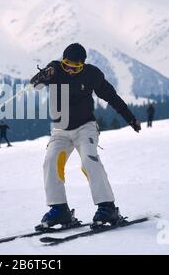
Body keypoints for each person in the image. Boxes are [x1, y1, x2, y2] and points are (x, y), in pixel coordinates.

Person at [30, 43, 141, 229]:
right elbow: (36, 84)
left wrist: (130, 118)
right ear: (62, 61)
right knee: (50, 161)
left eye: (76, 67)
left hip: (85, 127)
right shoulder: (55, 69)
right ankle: (60, 210)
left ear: (82, 65)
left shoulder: (92, 74)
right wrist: (42, 76)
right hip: (60, 129)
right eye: (67, 65)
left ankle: (107, 207)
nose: (71, 70)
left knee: (89, 160)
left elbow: (111, 96)